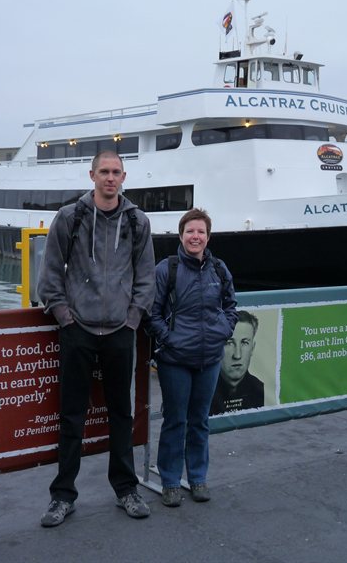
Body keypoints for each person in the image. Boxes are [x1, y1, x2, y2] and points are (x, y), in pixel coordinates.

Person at [37, 151, 156, 527]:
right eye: (103, 171)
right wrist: (65, 319)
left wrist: (132, 320)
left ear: (124, 176)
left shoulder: (137, 221)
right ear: (92, 175)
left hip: (121, 331)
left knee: (122, 414)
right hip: (78, 330)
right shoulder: (70, 217)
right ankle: (63, 496)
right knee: (72, 416)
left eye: (115, 172)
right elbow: (51, 273)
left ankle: (126, 489)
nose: (109, 178)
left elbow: (146, 276)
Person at [145, 208, 237, 508]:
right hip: (175, 360)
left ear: (208, 237)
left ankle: (197, 477)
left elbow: (231, 306)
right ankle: (171, 481)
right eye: (190, 232)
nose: (195, 237)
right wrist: (169, 340)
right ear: (181, 235)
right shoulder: (166, 269)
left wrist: (223, 330)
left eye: (200, 232)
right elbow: (152, 313)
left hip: (209, 357)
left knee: (200, 421)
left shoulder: (219, 269)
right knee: (175, 420)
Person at [210, 310, 264, 415]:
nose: (237, 355)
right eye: (229, 343)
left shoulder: (259, 389)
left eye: (244, 343)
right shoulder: (203, 388)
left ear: (252, 348)